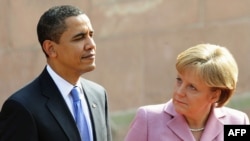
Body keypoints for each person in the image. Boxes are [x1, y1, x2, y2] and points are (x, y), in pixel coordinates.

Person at [0, 5, 112, 141]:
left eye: (91, 35)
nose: (91, 44)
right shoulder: (22, 107)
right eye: (79, 38)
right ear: (51, 48)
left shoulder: (98, 95)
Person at [125, 44, 249, 141]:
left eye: (192, 87)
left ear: (214, 95)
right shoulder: (148, 119)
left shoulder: (237, 122)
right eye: (179, 80)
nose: (179, 92)